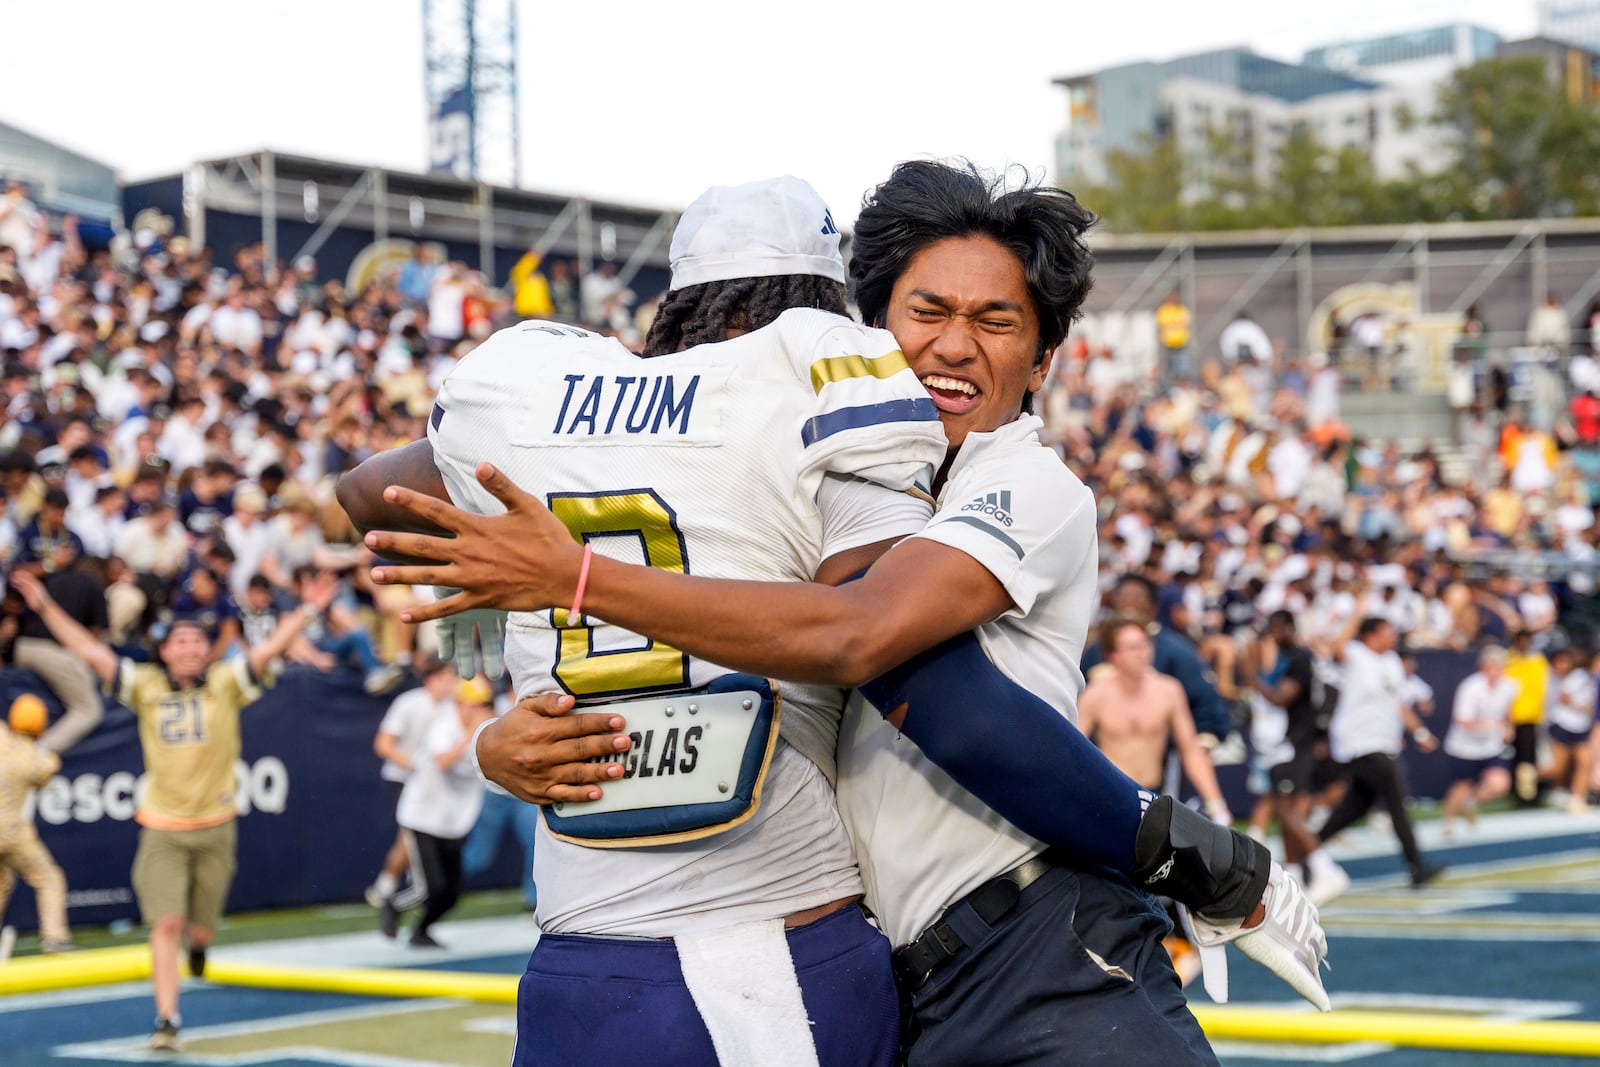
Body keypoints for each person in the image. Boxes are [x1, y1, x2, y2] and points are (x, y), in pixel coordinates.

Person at [351, 163, 1327, 1065]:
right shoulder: (821, 437)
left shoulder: (1026, 479)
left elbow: (889, 656)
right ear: (857, 328)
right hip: (849, 967)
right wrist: (491, 727)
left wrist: (1194, 854)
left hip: (1036, 946)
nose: (951, 343)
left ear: (1042, 359)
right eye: (925, 312)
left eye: (994, 320)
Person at [9, 566, 336, 1052]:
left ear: (206, 650)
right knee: (164, 924)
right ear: (164, 651)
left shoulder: (225, 684)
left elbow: (266, 650)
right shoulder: (145, 686)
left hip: (216, 828)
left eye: (195, 642)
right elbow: (88, 649)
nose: (188, 649)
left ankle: (200, 947)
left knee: (199, 930)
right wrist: (44, 606)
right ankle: (167, 1019)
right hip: (162, 827)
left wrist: (309, 609)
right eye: (178, 643)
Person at [1318, 617, 1444, 888]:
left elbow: (1398, 703)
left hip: (1382, 743)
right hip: (1360, 744)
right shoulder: (1356, 655)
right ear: (1370, 636)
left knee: (1355, 808)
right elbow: (1338, 646)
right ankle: (1416, 866)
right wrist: (1358, 606)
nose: (1392, 637)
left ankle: (1307, 847)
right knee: (1398, 802)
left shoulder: (1391, 662)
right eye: (1387, 633)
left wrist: (1419, 732)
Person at [1245, 611, 1349, 906]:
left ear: (1290, 628)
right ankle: (1294, 879)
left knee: (1287, 812)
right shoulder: (1295, 659)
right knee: (1286, 811)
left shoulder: (1300, 660)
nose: (1274, 636)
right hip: (1293, 743)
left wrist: (1254, 680)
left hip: (1295, 744)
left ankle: (1325, 867)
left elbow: (1281, 698)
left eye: (1278, 629)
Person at [383, 674, 494, 947]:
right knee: (429, 887)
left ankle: (421, 931)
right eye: (474, 703)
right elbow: (444, 760)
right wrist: (471, 735)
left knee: (451, 893)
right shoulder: (444, 725)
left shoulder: (487, 730)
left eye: (483, 704)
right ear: (459, 704)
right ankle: (393, 904)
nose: (480, 710)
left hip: (454, 819)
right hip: (423, 815)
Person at [366, 656, 457, 911]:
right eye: (445, 678)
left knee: (425, 835)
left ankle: (394, 887)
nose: (451, 683)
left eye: (452, 678)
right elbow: (383, 744)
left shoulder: (453, 708)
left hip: (434, 782)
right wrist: (414, 765)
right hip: (402, 778)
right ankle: (390, 889)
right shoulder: (409, 703)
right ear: (430, 680)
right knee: (412, 834)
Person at [0, 693, 73, 954]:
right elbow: (47, 772)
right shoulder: (35, 758)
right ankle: (54, 937)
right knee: (49, 878)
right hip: (11, 833)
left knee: (2, 882)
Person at [1441, 644, 1517, 837]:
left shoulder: (1509, 686)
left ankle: (1472, 801)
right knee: (1461, 785)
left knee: (1500, 784)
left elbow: (1508, 713)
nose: (1496, 669)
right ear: (1484, 666)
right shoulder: (1470, 688)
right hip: (1465, 746)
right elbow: (1462, 720)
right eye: (1493, 664)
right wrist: (1489, 725)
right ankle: (1448, 823)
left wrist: (1509, 727)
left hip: (1491, 745)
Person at [1544, 644, 1596, 814]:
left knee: (1585, 761)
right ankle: (1532, 774)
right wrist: (1582, 707)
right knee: (1558, 767)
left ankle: (1578, 799)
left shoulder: (1590, 678)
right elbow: (1563, 697)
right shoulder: (1577, 676)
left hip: (1580, 726)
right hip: (1564, 723)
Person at [1505, 628, 1551, 807]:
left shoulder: (1537, 661)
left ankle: (1530, 795)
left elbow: (1540, 690)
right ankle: (1518, 795)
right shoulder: (1509, 660)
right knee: (1515, 759)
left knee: (1529, 759)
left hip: (1531, 718)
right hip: (1511, 718)